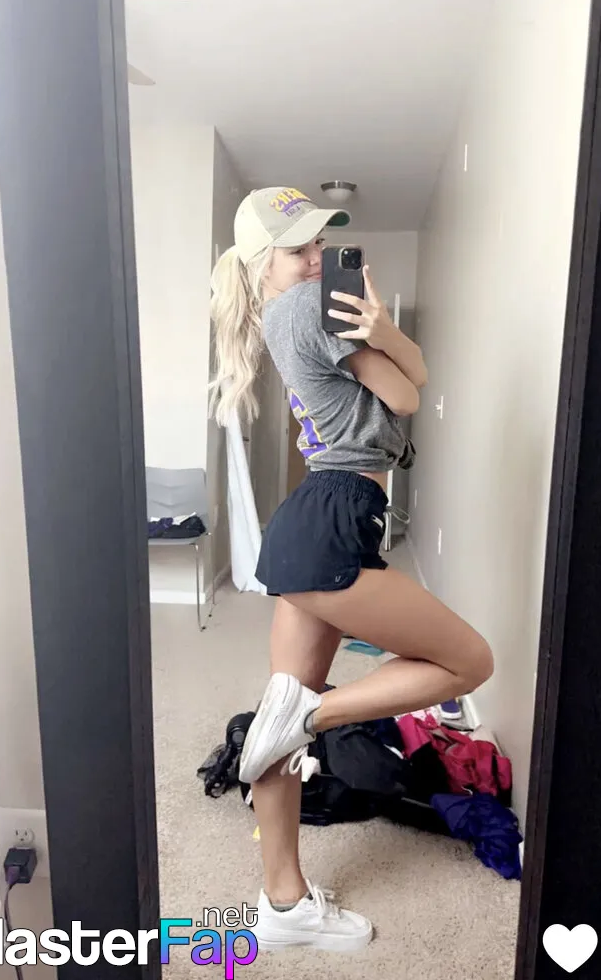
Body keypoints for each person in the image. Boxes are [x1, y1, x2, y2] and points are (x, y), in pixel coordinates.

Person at [209, 186, 494, 953]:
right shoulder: (308, 308)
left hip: (316, 517)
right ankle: (313, 717)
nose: (314, 260)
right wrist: (385, 335)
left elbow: (412, 373)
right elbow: (406, 388)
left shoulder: (282, 315)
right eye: (297, 249)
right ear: (262, 262)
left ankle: (283, 903)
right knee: (469, 662)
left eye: (317, 245)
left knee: (278, 714)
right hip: (335, 517)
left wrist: (383, 331)